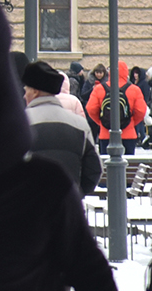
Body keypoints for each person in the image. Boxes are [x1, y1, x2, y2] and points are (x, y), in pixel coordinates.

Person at [24, 60, 101, 196]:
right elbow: (94, 169)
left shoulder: (20, 124)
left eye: (26, 90)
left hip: (28, 208)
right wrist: (76, 195)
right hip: (68, 208)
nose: (24, 95)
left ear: (35, 91)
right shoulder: (79, 125)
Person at [86, 61, 147, 155]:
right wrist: (131, 122)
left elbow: (91, 108)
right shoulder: (134, 89)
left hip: (106, 134)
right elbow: (141, 111)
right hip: (128, 134)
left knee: (107, 164)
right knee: (128, 165)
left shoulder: (99, 88)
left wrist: (101, 121)